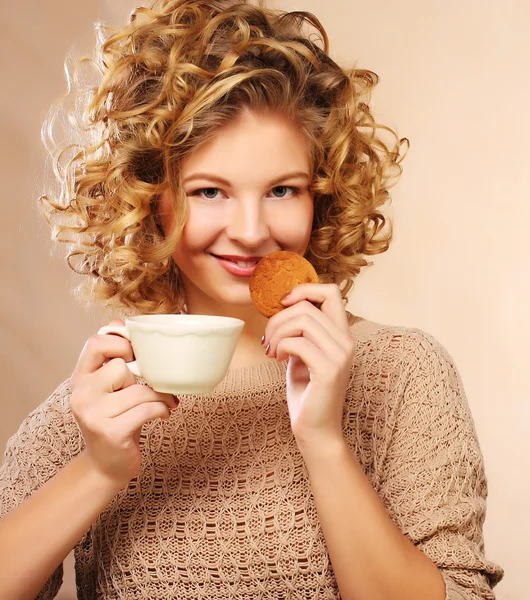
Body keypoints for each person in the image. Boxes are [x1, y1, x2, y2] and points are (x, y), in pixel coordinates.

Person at [0, 0, 503, 598]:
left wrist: (324, 442)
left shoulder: (402, 373)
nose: (249, 229)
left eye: (282, 189)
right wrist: (99, 469)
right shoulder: (99, 402)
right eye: (209, 191)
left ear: (323, 196)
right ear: (149, 199)